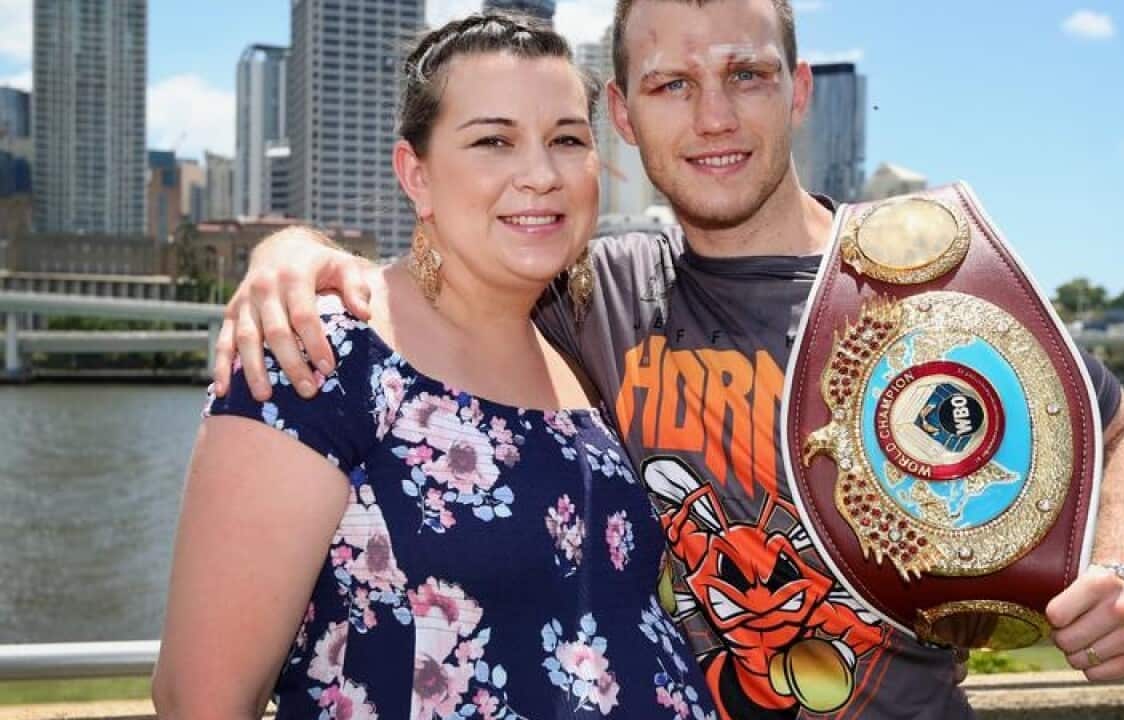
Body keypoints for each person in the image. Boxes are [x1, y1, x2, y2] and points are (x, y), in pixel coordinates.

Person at [211, 1, 1124, 716]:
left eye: (746, 75)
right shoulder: (588, 292)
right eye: (672, 84)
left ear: (797, 91)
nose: (712, 116)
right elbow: (441, 279)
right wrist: (290, 251)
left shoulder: (925, 282)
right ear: (624, 117)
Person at [151, 13, 718, 720]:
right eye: (494, 141)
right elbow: (199, 699)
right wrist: (284, 247)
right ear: (415, 174)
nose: (540, 175)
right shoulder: (324, 360)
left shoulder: (582, 353)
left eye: (567, 140)